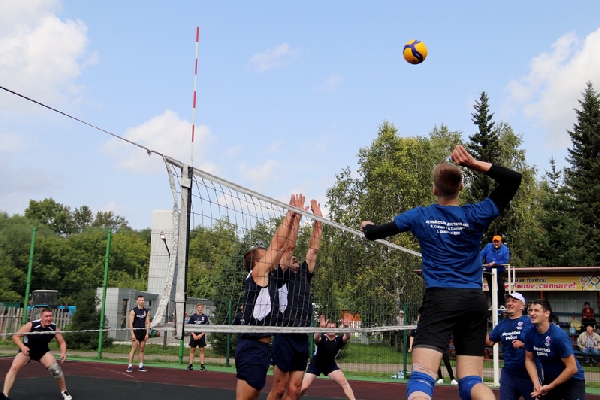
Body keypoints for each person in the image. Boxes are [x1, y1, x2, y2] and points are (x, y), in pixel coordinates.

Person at [361, 144, 522, 400]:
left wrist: (368, 227)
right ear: (461, 187)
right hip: (473, 300)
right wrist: (473, 163)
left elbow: (374, 234)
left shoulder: (420, 215)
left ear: (435, 189)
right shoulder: (476, 214)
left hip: (441, 299)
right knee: (471, 382)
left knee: (422, 377)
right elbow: (513, 179)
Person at [235, 194, 304, 400]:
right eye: (265, 255)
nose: (270, 256)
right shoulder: (257, 275)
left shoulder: (272, 278)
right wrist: (289, 213)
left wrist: (296, 220)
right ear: (257, 263)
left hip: (263, 347)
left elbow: (286, 248)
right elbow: (277, 243)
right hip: (251, 345)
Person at [268, 199, 323, 400]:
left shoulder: (304, 274)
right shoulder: (280, 275)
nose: (294, 258)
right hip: (285, 334)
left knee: (294, 389)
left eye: (294, 258)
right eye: (290, 258)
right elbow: (289, 247)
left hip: (301, 336)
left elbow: (313, 250)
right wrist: (296, 218)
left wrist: (318, 221)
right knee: (279, 389)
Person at [1, 308, 72, 400]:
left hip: (43, 351)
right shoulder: (31, 325)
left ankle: (64, 391)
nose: (48, 318)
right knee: (14, 367)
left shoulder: (53, 328)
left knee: (56, 369)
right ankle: (4, 395)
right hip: (28, 350)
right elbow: (16, 336)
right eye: (46, 316)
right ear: (41, 317)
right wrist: (22, 347)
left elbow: (62, 342)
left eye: (50, 316)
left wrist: (63, 353)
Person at [525, 299, 586, 400]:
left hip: (572, 380)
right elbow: (529, 359)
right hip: (550, 378)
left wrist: (550, 387)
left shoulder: (558, 336)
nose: (532, 313)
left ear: (547, 313)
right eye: (530, 310)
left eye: (536, 310)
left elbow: (572, 368)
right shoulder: (529, 333)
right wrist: (536, 383)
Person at [486, 292, 540, 400]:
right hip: (509, 373)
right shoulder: (502, 325)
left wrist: (523, 345)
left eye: (514, 301)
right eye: (508, 301)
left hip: (529, 374)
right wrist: (481, 325)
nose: (510, 304)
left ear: (522, 306)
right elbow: (489, 342)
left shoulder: (530, 322)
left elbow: (540, 344)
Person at [299, 315, 355, 400]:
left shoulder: (338, 340)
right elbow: (316, 338)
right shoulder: (323, 338)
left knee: (344, 382)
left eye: (333, 328)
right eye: (329, 327)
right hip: (316, 365)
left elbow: (347, 337)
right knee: (304, 387)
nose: (331, 329)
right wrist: (321, 328)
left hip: (330, 365)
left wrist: (347, 327)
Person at [480, 235, 510, 309]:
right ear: (492, 241)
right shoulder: (488, 246)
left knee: (501, 286)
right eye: (494, 242)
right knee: (491, 287)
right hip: (489, 271)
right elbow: (481, 254)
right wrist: (479, 262)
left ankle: (501, 304)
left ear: (501, 242)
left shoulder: (505, 249)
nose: (496, 243)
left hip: (500, 271)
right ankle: (493, 304)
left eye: (497, 242)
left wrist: (495, 262)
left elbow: (505, 260)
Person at [127, 295, 150, 373]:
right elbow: (130, 323)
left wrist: (147, 333)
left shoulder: (146, 311)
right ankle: (130, 366)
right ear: (137, 301)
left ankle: (141, 366)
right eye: (140, 300)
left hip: (143, 331)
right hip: (136, 331)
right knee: (134, 348)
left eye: (142, 300)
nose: (141, 301)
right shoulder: (133, 311)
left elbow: (147, 322)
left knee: (142, 349)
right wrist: (132, 334)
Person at [186, 302, 210, 371]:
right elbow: (189, 326)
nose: (200, 309)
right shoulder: (193, 316)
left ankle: (202, 366)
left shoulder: (205, 317)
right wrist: (193, 334)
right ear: (197, 308)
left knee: (201, 350)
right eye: (199, 307)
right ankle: (190, 365)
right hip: (194, 336)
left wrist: (201, 334)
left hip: (201, 336)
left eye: (201, 307)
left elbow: (207, 327)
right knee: (192, 350)